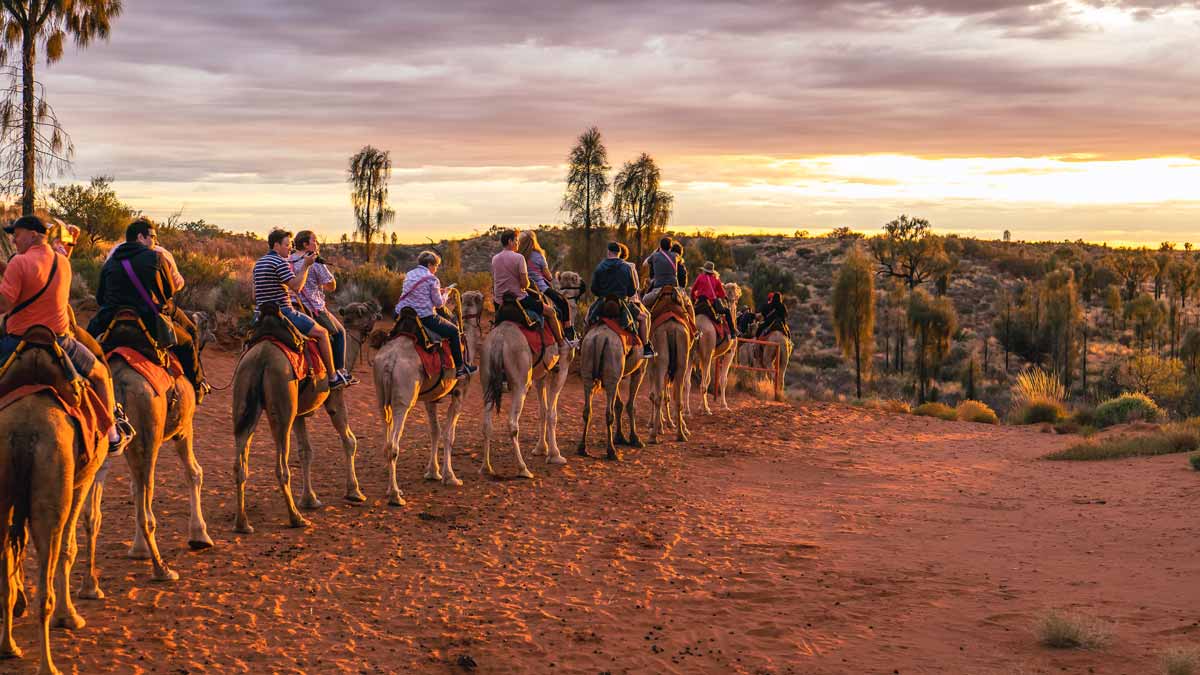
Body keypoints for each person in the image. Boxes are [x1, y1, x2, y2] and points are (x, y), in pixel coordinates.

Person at [0, 214, 133, 453]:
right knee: (102, 375)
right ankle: (112, 434)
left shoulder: (18, 263)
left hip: (17, 342)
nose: (14, 240)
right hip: (60, 343)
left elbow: (4, 305)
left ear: (32, 235)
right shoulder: (62, 262)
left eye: (16, 235)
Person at [92, 218, 213, 401]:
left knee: (83, 343)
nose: (155, 241)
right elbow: (168, 292)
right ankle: (197, 385)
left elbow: (100, 298)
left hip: (111, 319)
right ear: (141, 237)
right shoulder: (156, 257)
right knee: (188, 338)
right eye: (153, 237)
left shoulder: (110, 262)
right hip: (149, 319)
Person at [252, 228, 346, 390]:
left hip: (259, 315)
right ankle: (333, 377)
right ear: (276, 245)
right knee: (323, 333)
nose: (290, 248)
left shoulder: (259, 263)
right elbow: (296, 286)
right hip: (284, 312)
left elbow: (254, 295)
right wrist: (306, 266)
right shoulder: (279, 262)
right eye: (287, 245)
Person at [289, 230, 357, 387]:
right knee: (339, 333)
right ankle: (339, 372)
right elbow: (331, 286)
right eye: (315, 241)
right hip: (313, 307)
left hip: (291, 305)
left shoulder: (288, 259)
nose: (317, 244)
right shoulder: (314, 261)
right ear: (306, 244)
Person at [395, 250, 477, 378]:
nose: (436, 269)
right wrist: (446, 294)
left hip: (403, 314)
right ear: (429, 264)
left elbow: (417, 292)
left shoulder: (410, 274)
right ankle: (460, 368)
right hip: (424, 317)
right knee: (454, 331)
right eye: (436, 266)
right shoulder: (432, 279)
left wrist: (438, 290)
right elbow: (439, 304)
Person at [491, 229, 569, 347]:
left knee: (496, 321)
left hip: (499, 301)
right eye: (516, 240)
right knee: (551, 312)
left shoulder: (495, 258)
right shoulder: (519, 258)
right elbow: (525, 284)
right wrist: (526, 284)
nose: (518, 243)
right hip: (518, 299)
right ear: (510, 241)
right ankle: (561, 343)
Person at [590, 241, 654, 359]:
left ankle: (581, 344)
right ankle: (646, 347)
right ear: (619, 253)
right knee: (644, 318)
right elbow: (632, 291)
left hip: (603, 302)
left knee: (588, 319)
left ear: (608, 252)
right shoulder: (626, 267)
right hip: (622, 303)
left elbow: (594, 289)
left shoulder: (599, 267)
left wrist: (602, 294)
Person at [517, 230, 578, 344]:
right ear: (534, 241)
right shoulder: (539, 255)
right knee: (563, 302)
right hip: (540, 288)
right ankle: (569, 333)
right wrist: (548, 275)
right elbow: (549, 277)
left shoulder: (517, 256)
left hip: (522, 289)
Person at [640, 236, 696, 330]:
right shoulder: (675, 256)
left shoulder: (655, 256)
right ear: (670, 247)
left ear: (660, 246)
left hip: (658, 290)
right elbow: (681, 261)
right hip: (675, 290)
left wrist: (654, 253)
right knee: (688, 305)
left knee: (643, 303)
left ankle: (643, 332)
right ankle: (694, 330)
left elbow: (644, 264)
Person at [691, 261, 737, 337]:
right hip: (711, 305)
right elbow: (722, 294)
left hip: (699, 304)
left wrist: (693, 300)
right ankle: (732, 332)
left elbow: (693, 290)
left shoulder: (700, 277)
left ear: (704, 270)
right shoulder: (716, 280)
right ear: (712, 271)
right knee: (727, 311)